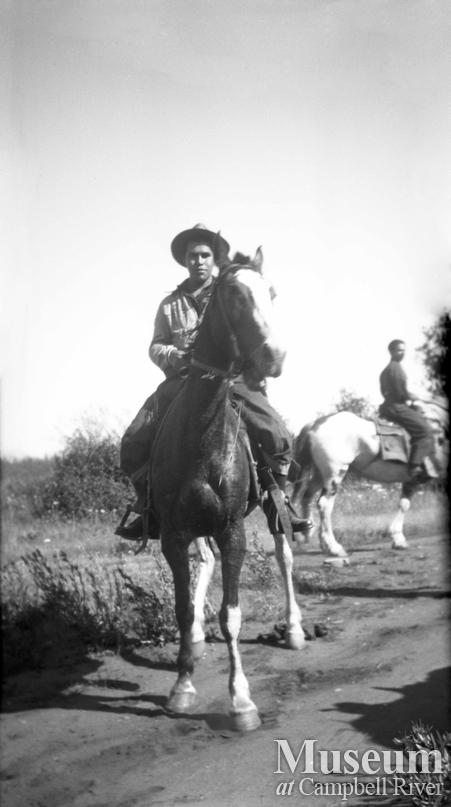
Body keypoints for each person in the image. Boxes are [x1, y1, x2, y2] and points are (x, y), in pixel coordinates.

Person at [116, 223, 309, 540]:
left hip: (230, 380)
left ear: (213, 259)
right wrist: (175, 356)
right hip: (182, 383)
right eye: (193, 255)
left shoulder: (233, 290)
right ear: (185, 260)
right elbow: (155, 345)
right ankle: (149, 506)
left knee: (277, 433)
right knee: (134, 441)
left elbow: (252, 329)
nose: (199, 261)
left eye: (205, 254)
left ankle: (278, 502)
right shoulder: (169, 305)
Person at [379, 339, 434, 480]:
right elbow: (401, 393)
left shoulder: (387, 369)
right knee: (425, 431)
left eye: (403, 350)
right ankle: (414, 467)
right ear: (391, 351)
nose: (402, 353)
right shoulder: (395, 369)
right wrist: (415, 398)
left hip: (389, 405)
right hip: (396, 407)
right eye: (399, 350)